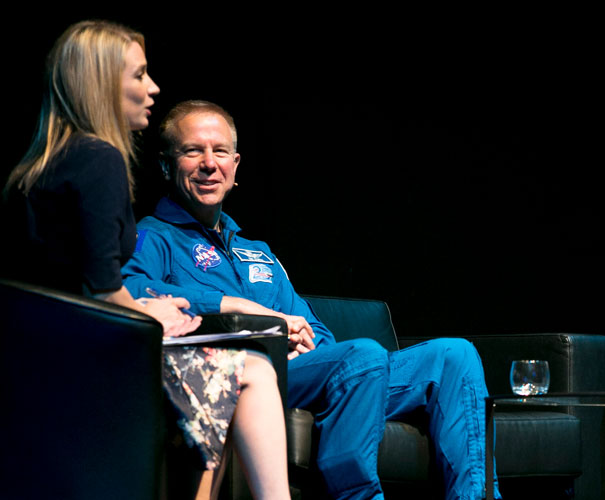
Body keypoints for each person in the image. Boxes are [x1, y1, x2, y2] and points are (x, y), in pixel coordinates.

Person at [121, 99, 501, 500]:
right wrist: (239, 308)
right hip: (247, 377)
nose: (209, 163)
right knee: (363, 356)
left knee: (453, 355)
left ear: (235, 166)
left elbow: (312, 324)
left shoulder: (257, 251)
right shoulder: (154, 235)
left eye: (219, 152)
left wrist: (308, 342)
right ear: (166, 165)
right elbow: (129, 289)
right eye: (193, 150)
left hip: (305, 373)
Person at [2, 21, 289, 500]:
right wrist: (147, 309)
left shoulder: (37, 164)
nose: (152, 88)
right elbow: (99, 290)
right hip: (92, 353)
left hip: (41, 354)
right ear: (102, 83)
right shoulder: (99, 159)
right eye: (139, 76)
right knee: (252, 371)